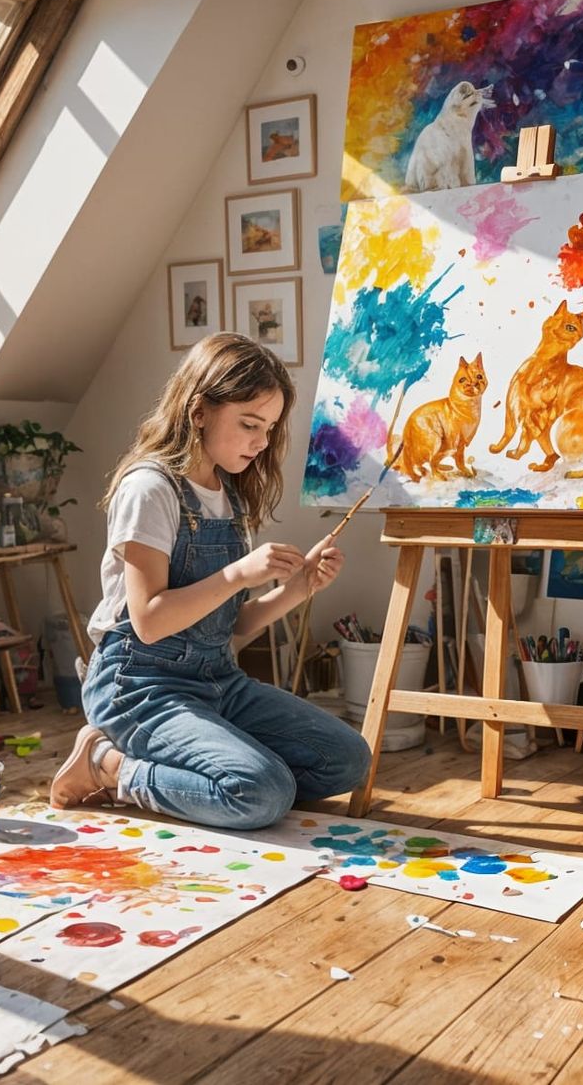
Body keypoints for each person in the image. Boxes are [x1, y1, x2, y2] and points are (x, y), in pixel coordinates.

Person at [50, 332, 370, 830]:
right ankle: (108, 767)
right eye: (249, 424)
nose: (261, 442)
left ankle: (219, 771)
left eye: (268, 427)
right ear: (198, 411)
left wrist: (298, 588)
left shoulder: (230, 495)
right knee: (262, 793)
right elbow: (151, 622)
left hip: (217, 681)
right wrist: (240, 572)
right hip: (139, 687)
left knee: (347, 759)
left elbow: (228, 627)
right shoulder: (150, 489)